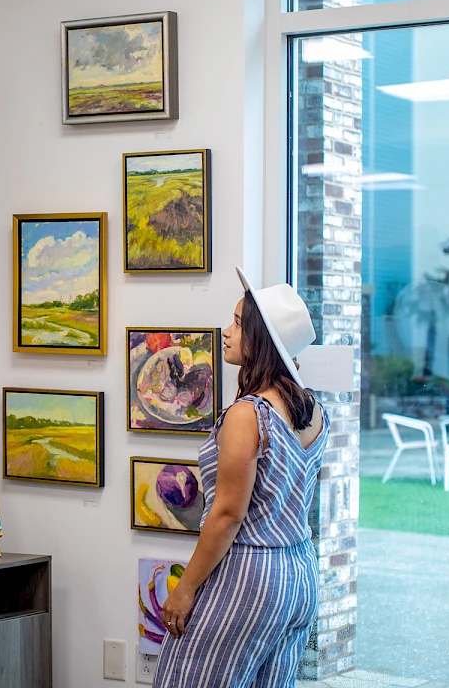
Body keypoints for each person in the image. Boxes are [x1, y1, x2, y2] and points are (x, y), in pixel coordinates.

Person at [153, 267, 329, 688]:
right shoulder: (314, 410)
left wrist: (185, 589)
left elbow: (229, 514)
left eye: (237, 323)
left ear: (262, 339)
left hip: (249, 576)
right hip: (299, 573)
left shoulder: (247, 414)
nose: (227, 332)